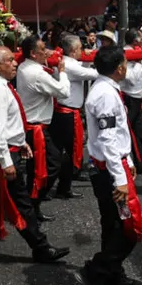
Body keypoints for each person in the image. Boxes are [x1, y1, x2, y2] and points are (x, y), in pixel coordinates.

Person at [0, 46, 71, 263]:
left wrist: (20, 143)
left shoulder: (0, 86)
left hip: (5, 151)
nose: (15, 64)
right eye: (10, 60)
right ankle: (40, 247)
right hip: (2, 155)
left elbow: (6, 126)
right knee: (21, 202)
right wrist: (6, 160)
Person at [77, 45, 142, 285]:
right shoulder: (105, 95)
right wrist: (120, 179)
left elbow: (118, 135)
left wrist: (129, 159)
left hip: (113, 166)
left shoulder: (107, 90)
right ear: (120, 68)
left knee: (113, 224)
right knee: (127, 229)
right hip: (110, 172)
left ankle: (112, 274)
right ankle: (96, 272)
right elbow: (108, 139)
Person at [16, 35, 70, 222]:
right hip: (36, 128)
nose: (46, 51)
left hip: (33, 125)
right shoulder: (37, 73)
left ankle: (32, 205)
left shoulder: (25, 67)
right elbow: (63, 92)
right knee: (52, 163)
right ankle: (31, 203)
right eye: (42, 49)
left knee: (35, 168)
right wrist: (62, 72)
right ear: (32, 53)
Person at [50, 33, 98, 198]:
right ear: (72, 51)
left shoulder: (67, 62)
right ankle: (58, 187)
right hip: (66, 114)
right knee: (67, 153)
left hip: (65, 113)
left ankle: (64, 186)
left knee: (65, 152)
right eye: (79, 49)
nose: (82, 51)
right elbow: (92, 74)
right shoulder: (69, 66)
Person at [120, 30, 142, 174]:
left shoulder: (136, 54)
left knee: (139, 133)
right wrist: (138, 62)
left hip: (137, 98)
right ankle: (122, 164)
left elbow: (139, 79)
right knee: (124, 132)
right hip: (128, 99)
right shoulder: (126, 55)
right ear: (135, 41)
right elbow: (130, 78)